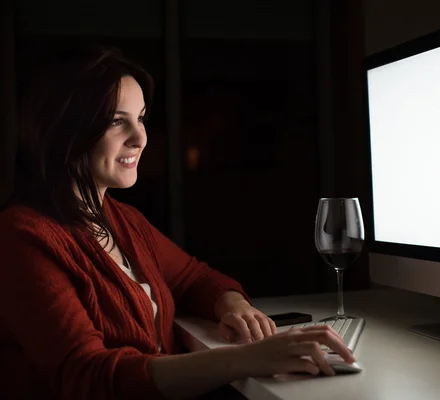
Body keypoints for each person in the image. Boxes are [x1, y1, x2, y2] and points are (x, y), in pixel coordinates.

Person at [0, 46, 354, 399]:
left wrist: (235, 307)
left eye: (140, 118)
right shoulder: (23, 237)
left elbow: (194, 278)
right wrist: (244, 360)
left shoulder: (121, 219)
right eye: (116, 121)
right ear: (65, 129)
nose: (140, 138)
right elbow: (87, 377)